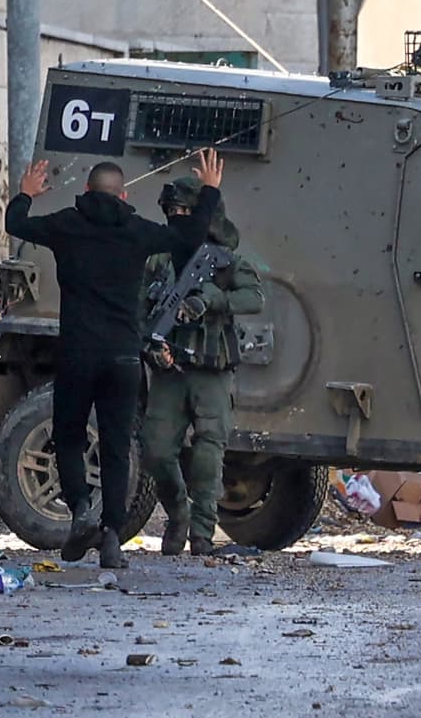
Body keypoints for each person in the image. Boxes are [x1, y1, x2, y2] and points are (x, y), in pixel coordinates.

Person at [5, 152, 223, 568]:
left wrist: (26, 194)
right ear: (123, 193)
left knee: (68, 435)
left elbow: (16, 224)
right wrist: (209, 190)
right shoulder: (136, 230)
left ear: (87, 190)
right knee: (117, 445)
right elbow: (189, 238)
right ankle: (110, 537)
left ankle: (80, 507)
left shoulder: (66, 225)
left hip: (76, 353)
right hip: (123, 356)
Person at [139, 176, 263, 556]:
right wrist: (151, 347)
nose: (178, 218)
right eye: (172, 212)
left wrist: (209, 299)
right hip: (169, 372)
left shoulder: (224, 260)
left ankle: (202, 534)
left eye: (185, 212)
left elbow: (254, 297)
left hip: (211, 368)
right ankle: (178, 514)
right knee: (156, 452)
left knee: (209, 452)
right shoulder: (160, 260)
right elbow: (140, 310)